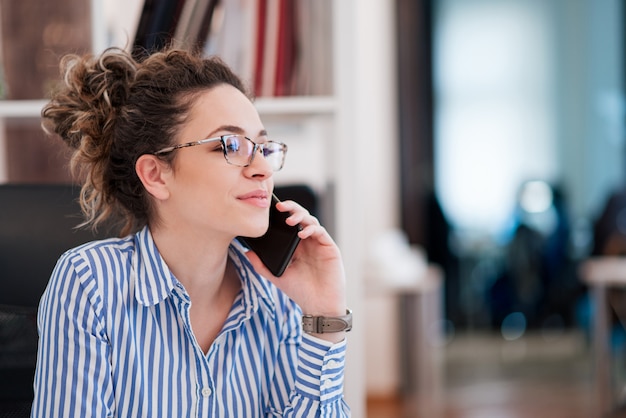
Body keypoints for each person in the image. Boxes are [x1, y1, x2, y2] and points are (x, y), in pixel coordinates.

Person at [31, 46, 351, 417]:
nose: (262, 167)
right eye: (230, 145)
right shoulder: (90, 284)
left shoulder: (278, 298)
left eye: (263, 147)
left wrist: (324, 316)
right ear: (156, 174)